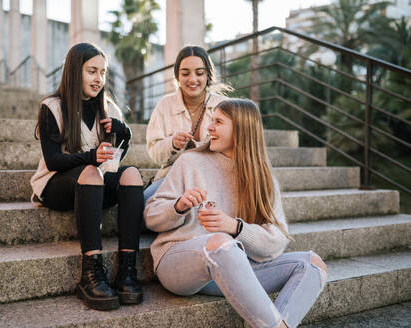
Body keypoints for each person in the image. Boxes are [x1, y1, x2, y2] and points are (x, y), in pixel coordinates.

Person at [144, 99, 327, 328]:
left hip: (232, 268)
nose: (209, 128)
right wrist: (178, 206)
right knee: (220, 242)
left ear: (241, 129)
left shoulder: (263, 180)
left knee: (312, 264)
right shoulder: (190, 161)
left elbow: (277, 241)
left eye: (218, 122)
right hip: (178, 263)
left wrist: (236, 227)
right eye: (212, 121)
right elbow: (151, 216)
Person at [30, 43, 143, 311]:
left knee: (132, 176)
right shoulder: (52, 107)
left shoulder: (109, 108)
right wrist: (91, 157)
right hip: (56, 186)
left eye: (103, 72)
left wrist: (123, 134)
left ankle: (127, 271)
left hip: (95, 187)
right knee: (91, 170)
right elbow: (54, 160)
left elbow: (113, 163)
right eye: (92, 71)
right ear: (73, 71)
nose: (99, 79)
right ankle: (91, 272)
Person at [144, 45, 231, 202]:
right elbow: (154, 153)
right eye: (185, 73)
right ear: (177, 76)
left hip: (214, 177)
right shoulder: (164, 105)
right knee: (144, 203)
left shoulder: (224, 105)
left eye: (199, 73)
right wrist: (173, 144)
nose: (192, 79)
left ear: (208, 75)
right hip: (173, 176)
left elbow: (235, 149)